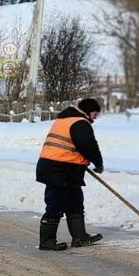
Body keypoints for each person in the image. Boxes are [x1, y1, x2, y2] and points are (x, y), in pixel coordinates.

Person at [36, 97, 105, 251]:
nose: (95, 118)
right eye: (94, 114)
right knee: (55, 204)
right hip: (59, 169)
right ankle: (46, 241)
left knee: (75, 201)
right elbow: (88, 145)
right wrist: (98, 163)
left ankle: (79, 237)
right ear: (87, 112)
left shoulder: (65, 119)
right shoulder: (79, 122)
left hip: (66, 168)